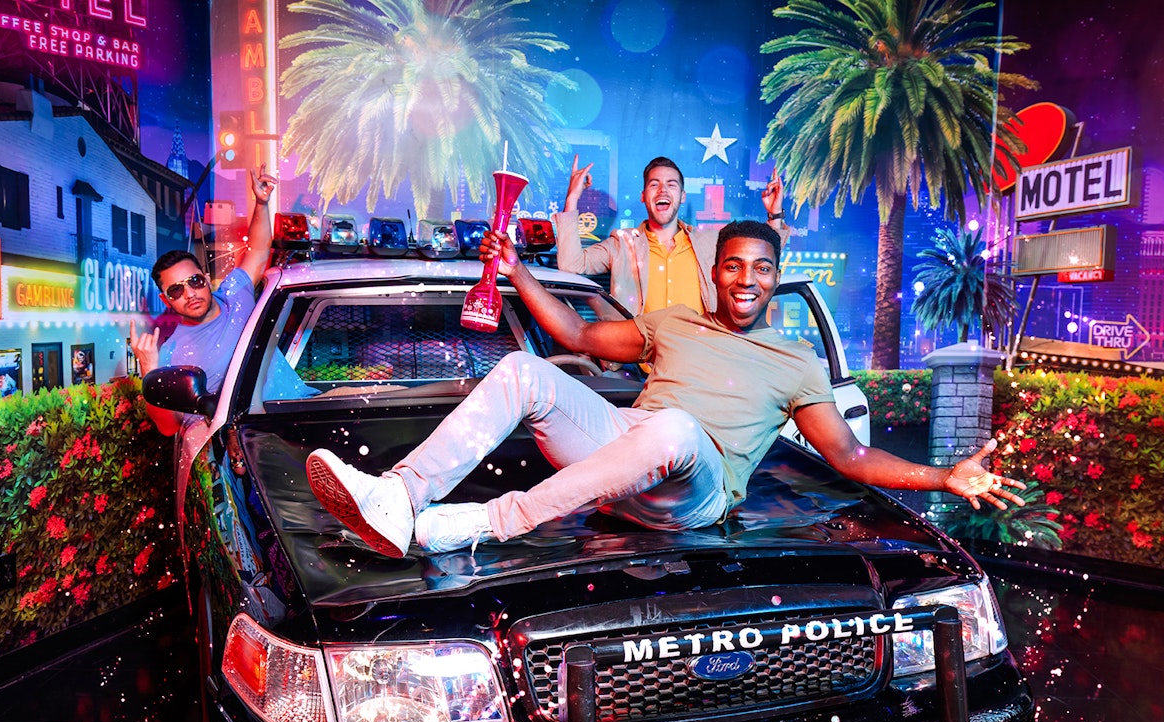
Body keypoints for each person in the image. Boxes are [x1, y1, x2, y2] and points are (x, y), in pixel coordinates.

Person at [305, 220, 1024, 559]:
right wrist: (519, 272)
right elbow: (576, 338)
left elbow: (851, 458)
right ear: (716, 272)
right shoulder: (673, 320)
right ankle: (401, 498)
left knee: (675, 428)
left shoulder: (795, 358)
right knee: (525, 372)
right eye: (735, 266)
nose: (747, 279)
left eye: (762, 268)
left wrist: (943, 478)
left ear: (776, 276)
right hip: (625, 463)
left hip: (696, 493)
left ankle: (482, 524)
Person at [131, 165, 316, 436]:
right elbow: (169, 428)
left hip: (305, 410)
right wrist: (148, 368)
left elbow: (258, 249)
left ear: (206, 277)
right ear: (165, 299)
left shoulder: (234, 294)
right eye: (176, 291)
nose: (190, 293)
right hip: (259, 440)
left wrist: (261, 203)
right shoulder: (171, 355)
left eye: (194, 281)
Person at [554, 155, 789, 316]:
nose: (663, 190)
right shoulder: (622, 243)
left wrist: (775, 213)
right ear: (643, 196)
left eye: (671, 184)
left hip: (699, 369)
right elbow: (570, 265)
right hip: (638, 373)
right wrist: (572, 199)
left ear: (683, 196)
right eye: (654, 184)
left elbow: (763, 252)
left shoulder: (711, 242)